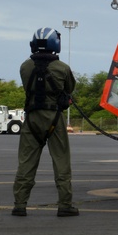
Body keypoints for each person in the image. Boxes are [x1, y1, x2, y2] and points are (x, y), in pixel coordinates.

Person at [12, 27, 78, 217]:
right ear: (55, 44)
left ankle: (19, 204)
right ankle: (65, 205)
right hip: (54, 119)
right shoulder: (63, 68)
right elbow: (69, 88)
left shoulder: (25, 66)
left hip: (32, 119)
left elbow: (27, 87)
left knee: (26, 163)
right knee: (61, 162)